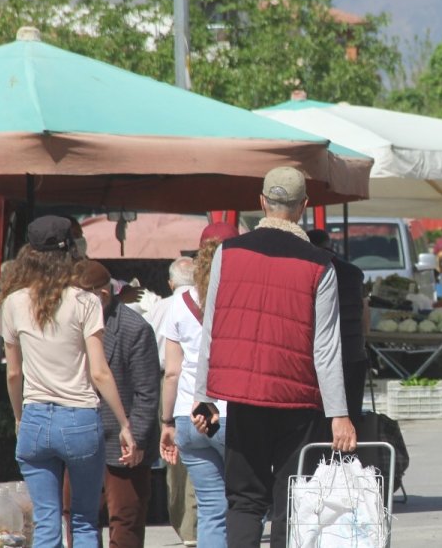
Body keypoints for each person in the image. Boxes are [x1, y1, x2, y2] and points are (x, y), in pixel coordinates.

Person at [193, 166, 355, 547]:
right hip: (297, 400)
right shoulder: (320, 264)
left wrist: (204, 395)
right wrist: (339, 415)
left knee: (245, 500)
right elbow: (326, 346)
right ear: (303, 207)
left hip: (243, 396)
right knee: (292, 498)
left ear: (262, 202)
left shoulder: (227, 253)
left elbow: (211, 326)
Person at [0, 216, 136, 547]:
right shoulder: (85, 301)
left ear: (29, 254)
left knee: (46, 523)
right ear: (70, 252)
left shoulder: (13, 303)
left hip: (35, 417)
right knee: (85, 521)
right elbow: (99, 371)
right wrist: (124, 423)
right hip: (80, 419)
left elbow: (13, 373)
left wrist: (18, 417)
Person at [160, 223, 238, 548]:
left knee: (210, 509)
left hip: (187, 417)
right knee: (245, 504)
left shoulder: (179, 303)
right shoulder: (238, 300)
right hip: (229, 413)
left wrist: (166, 422)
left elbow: (172, 372)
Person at [72, 260, 160, 548]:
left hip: (123, 446)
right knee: (77, 519)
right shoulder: (69, 325)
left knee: (125, 522)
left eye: (77, 297)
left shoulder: (134, 329)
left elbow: (147, 393)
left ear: (103, 296)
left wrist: (138, 439)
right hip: (78, 437)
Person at [144, 256, 199, 547]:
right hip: (202, 386)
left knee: (174, 458)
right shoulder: (208, 302)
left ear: (170, 283)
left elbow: (148, 349)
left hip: (166, 381)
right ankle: (197, 523)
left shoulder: (161, 307)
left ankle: (185, 525)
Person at [308, 229, 371, 418]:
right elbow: (365, 317)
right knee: (351, 414)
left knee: (319, 417)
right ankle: (348, 448)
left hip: (320, 354)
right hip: (353, 351)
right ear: (329, 244)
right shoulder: (354, 273)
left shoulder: (311, 270)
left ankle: (322, 448)